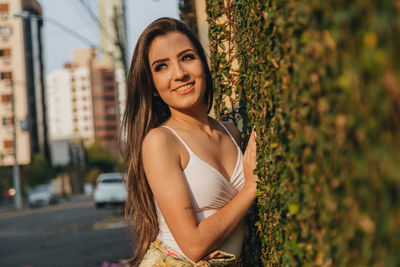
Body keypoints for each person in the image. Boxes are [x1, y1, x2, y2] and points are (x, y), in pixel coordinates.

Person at [121, 17, 258, 266]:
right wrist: (250, 188)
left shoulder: (231, 133)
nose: (180, 74)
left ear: (203, 65)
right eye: (161, 67)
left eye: (186, 57)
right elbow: (194, 246)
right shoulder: (160, 142)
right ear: (152, 85)